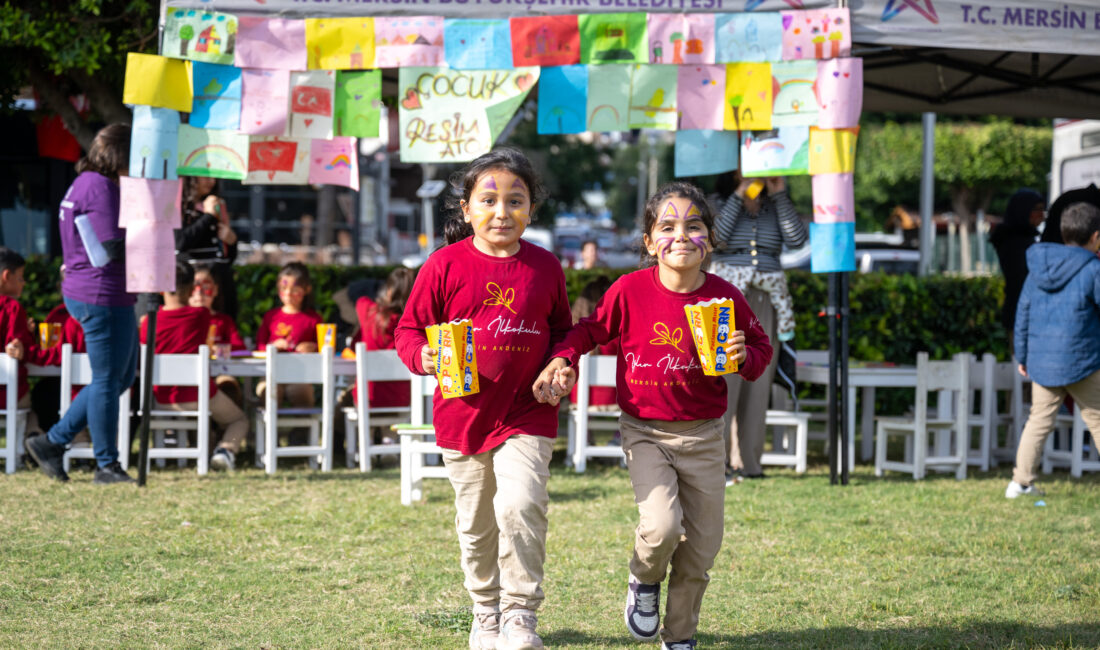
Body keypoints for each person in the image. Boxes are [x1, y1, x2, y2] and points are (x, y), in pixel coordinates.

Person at [534, 181, 772, 650]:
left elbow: (761, 351)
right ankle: (643, 580)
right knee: (662, 527)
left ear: (709, 239)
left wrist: (745, 356)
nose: (681, 236)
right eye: (667, 227)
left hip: (705, 435)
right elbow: (589, 330)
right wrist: (563, 357)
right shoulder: (628, 290)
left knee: (702, 550)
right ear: (649, 242)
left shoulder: (726, 297)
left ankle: (679, 636)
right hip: (645, 431)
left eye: (694, 225)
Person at [394, 148, 573, 650]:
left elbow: (563, 331)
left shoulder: (545, 267)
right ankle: (485, 611)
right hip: (463, 416)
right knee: (475, 524)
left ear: (530, 209)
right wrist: (422, 357)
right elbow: (408, 330)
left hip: (528, 412)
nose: (502, 211)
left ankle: (520, 615)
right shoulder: (443, 265)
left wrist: (561, 361)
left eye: (515, 201)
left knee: (520, 505)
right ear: (466, 208)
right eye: (489, 200)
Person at [24, 123, 137, 485]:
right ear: (120, 153)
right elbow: (112, 246)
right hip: (101, 293)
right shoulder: (100, 187)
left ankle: (53, 442)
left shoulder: (87, 182)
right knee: (107, 380)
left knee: (119, 378)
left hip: (97, 291)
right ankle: (107, 466)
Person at [710, 173, 807, 482]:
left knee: (758, 381)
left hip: (766, 297)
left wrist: (779, 194)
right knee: (723, 378)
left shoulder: (775, 205)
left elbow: (797, 241)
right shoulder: (719, 203)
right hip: (726, 295)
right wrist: (739, 194)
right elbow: (716, 239)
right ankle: (717, 460)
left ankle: (750, 461)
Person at [1006, 202, 1100, 499]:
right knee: (1097, 419)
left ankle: (1020, 483)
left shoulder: (1039, 267)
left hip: (1043, 362)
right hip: (1083, 360)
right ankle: (1021, 483)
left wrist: (1022, 355)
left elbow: (1024, 313)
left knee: (1039, 421)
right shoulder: (1094, 268)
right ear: (1096, 237)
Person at [140, 262, 249, 471]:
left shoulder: (148, 322)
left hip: (160, 398)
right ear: (192, 290)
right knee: (239, 420)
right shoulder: (201, 315)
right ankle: (225, 451)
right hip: (197, 396)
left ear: (162, 289)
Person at [255, 262, 323, 410]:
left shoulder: (313, 319)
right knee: (269, 393)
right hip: (271, 373)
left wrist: (314, 347)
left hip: (300, 376)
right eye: (283, 288)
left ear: (307, 290)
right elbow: (259, 346)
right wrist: (271, 347)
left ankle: (301, 432)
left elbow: (325, 348)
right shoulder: (270, 317)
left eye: (295, 289)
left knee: (302, 394)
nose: (288, 294)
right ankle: (268, 432)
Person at [354, 267, 415, 412]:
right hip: (403, 400)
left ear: (389, 291)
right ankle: (387, 435)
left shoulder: (369, 311)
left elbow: (360, 298)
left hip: (368, 399)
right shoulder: (414, 325)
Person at [178, 176, 239, 320]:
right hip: (195, 284)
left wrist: (232, 241)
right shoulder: (180, 206)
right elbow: (181, 242)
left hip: (219, 283)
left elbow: (226, 257)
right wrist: (208, 216)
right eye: (205, 177)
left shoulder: (218, 205)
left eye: (214, 178)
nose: (211, 182)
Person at [990, 189, 1045, 348]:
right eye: (1037, 209)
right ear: (1024, 211)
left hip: (1019, 310)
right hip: (1021, 311)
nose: (1041, 214)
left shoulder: (1018, 239)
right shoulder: (1016, 242)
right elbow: (1021, 278)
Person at [0, 248, 44, 439]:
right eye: (21, 277)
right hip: (7, 395)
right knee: (35, 404)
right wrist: (28, 336)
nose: (24, 283)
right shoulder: (12, 309)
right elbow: (25, 350)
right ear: (6, 276)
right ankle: (28, 444)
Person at [189, 263, 246, 405]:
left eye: (205, 287)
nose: (199, 293)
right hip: (189, 375)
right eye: (193, 288)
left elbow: (240, 347)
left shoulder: (224, 321)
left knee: (228, 385)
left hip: (220, 372)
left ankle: (222, 425)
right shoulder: (183, 321)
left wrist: (221, 349)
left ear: (215, 290)